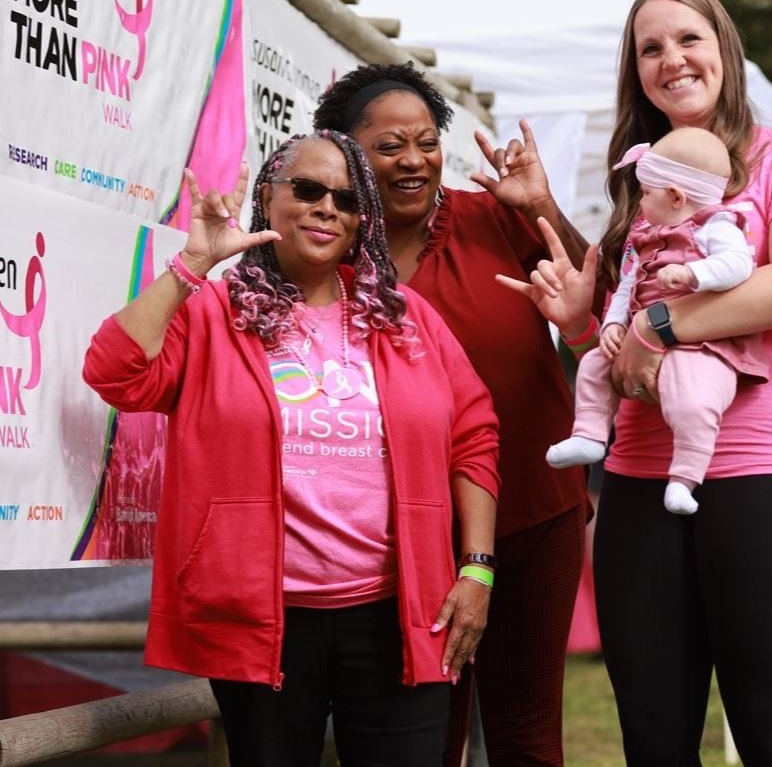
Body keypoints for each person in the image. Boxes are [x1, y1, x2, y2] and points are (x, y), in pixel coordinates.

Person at [499, 0, 772, 765]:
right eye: (648, 47)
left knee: (771, 730)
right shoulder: (639, 188)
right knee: (651, 738)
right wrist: (581, 317)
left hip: (771, 462)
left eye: (687, 38)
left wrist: (657, 323)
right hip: (638, 467)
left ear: (724, 49)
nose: (671, 59)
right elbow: (618, 351)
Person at [82, 130, 500, 767]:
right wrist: (191, 268)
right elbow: (116, 375)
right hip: (262, 621)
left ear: (363, 221)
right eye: (307, 190)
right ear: (268, 200)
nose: (327, 207)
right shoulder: (213, 312)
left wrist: (475, 567)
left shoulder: (406, 316)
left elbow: (474, 435)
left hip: (398, 614)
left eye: (347, 198)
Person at [313, 63, 593, 767]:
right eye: (388, 146)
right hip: (400, 532)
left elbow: (610, 298)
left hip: (532, 513)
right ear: (345, 154)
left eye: (425, 140)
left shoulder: (496, 216)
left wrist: (542, 206)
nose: (413, 160)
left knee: (526, 732)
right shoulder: (328, 259)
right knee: (420, 733)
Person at [547, 126, 767, 516]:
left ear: (677, 197)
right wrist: (614, 324)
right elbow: (627, 284)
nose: (641, 202)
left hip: (701, 341)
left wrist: (695, 275)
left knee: (693, 401)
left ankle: (685, 477)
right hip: (638, 337)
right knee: (597, 363)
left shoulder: (717, 226)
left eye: (646, 193)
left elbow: (739, 266)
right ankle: (589, 434)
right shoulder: (645, 234)